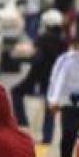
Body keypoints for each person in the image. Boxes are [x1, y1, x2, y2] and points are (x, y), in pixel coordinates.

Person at [12, 9, 67, 144]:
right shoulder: (63, 41)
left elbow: (37, 58)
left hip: (38, 77)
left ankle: (23, 123)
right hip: (55, 79)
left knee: (16, 92)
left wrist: (25, 58)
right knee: (50, 106)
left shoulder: (43, 39)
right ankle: (47, 136)